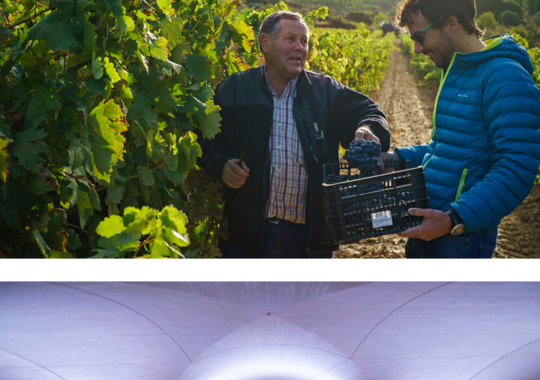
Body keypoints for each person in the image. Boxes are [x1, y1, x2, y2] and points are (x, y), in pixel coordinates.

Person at [200, 11, 391, 258]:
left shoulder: (325, 92)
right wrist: (222, 164)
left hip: (309, 239)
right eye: (290, 39)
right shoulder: (234, 90)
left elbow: (369, 111)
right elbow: (203, 138)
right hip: (246, 238)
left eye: (304, 41)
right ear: (265, 43)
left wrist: (366, 128)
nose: (299, 48)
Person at [379, 0, 540, 258]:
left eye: (420, 37)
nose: (417, 49)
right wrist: (398, 159)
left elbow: (517, 167)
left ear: (452, 23)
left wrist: (455, 218)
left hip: (461, 238)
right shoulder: (456, 71)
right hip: (430, 225)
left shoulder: (505, 77)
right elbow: (445, 149)